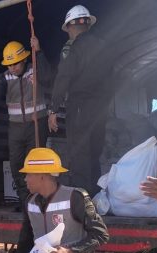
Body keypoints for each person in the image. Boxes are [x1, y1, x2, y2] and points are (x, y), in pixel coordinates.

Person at [48, 5, 113, 195]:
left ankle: (82, 202)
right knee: (95, 153)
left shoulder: (73, 48)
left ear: (70, 27)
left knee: (79, 154)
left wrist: (53, 109)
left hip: (80, 108)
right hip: (100, 108)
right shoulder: (104, 46)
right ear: (87, 24)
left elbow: (64, 77)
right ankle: (95, 198)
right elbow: (113, 78)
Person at [0, 37, 53, 206]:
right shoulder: (5, 77)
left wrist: (39, 52)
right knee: (16, 164)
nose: (12, 68)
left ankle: (41, 199)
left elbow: (49, 78)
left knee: (35, 164)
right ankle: (26, 202)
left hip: (37, 123)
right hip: (15, 127)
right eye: (9, 65)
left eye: (16, 64)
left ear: (25, 59)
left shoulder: (35, 70)